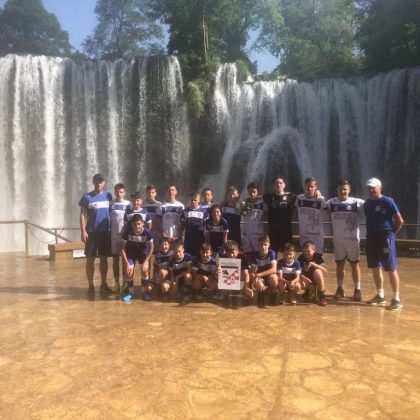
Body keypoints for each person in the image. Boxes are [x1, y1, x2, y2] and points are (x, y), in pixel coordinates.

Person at [364, 178, 404, 310]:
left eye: (373, 187)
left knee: (391, 268)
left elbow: (400, 220)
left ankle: (397, 299)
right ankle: (380, 295)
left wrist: (392, 234)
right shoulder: (367, 203)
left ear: (379, 188)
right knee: (375, 267)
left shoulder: (388, 201)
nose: (371, 190)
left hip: (385, 240)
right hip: (371, 239)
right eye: (369, 188)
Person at [326, 180, 364, 301]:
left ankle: (357, 289)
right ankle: (340, 289)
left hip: (353, 240)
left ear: (349, 190)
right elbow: (321, 206)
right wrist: (317, 193)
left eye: (345, 189)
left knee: (354, 265)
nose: (343, 191)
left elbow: (372, 205)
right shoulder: (331, 202)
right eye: (340, 189)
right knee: (339, 265)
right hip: (338, 240)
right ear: (337, 190)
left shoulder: (357, 202)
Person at [79, 173, 112, 296]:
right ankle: (91, 285)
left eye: (101, 181)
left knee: (104, 259)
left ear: (104, 183)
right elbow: (82, 214)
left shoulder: (108, 196)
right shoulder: (87, 197)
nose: (99, 183)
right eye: (97, 181)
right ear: (93, 182)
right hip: (91, 233)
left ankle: (103, 284)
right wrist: (83, 231)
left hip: (105, 232)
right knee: (90, 259)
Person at [120, 214, 154, 301]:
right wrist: (127, 264)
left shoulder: (146, 232)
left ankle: (143, 292)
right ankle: (131, 292)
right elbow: (122, 248)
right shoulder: (127, 232)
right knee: (128, 271)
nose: (137, 226)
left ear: (142, 223)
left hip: (142, 253)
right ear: (132, 224)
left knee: (145, 270)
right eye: (135, 224)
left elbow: (151, 247)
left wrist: (146, 261)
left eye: (139, 224)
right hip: (131, 253)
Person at [263, 176, 296, 254]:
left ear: (284, 185)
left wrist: (317, 192)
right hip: (273, 232)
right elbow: (254, 198)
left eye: (281, 183)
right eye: (276, 183)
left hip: (286, 231)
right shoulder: (268, 197)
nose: (279, 185)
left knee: (288, 254)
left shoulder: (291, 197)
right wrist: (243, 201)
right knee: (272, 254)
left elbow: (305, 197)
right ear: (273, 185)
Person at [109, 183, 131, 293]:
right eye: (117, 191)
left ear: (124, 192)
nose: (119, 193)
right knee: (115, 260)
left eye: (121, 191)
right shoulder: (111, 204)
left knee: (124, 260)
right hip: (113, 236)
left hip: (124, 237)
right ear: (114, 192)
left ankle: (125, 283)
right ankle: (117, 283)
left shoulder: (129, 204)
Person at [296, 177, 327, 253]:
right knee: (306, 255)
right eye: (307, 186)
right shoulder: (299, 198)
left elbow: (329, 211)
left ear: (316, 187)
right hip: (304, 235)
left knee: (318, 256)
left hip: (317, 236)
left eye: (312, 186)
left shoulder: (321, 200)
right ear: (304, 186)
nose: (309, 188)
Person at [249, 235, 278, 307]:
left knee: (274, 278)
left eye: (265, 245)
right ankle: (261, 293)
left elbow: (274, 270)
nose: (263, 247)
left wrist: (260, 274)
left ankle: (273, 293)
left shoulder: (272, 253)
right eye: (261, 244)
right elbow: (252, 272)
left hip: (268, 276)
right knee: (256, 281)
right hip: (260, 278)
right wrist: (256, 280)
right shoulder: (255, 255)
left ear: (269, 245)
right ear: (258, 245)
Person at [297, 240, 328, 306]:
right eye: (304, 251)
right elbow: (297, 272)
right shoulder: (301, 258)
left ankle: (322, 296)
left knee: (318, 272)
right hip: (305, 279)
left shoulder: (317, 257)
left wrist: (313, 264)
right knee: (298, 283)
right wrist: (304, 278)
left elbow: (325, 270)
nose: (306, 253)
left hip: (315, 278)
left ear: (314, 250)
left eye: (308, 251)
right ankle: (307, 291)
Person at [241, 182, 265, 256]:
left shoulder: (262, 202)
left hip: (258, 233)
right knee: (248, 254)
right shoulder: (243, 202)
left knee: (258, 254)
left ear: (258, 192)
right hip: (247, 233)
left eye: (254, 192)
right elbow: (236, 207)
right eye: (250, 192)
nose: (252, 194)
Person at [181, 192, 206, 257]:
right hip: (189, 239)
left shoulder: (203, 211)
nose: (193, 202)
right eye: (191, 200)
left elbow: (206, 226)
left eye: (195, 200)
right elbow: (182, 226)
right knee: (188, 257)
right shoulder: (185, 211)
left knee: (199, 257)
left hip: (200, 239)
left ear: (199, 200)